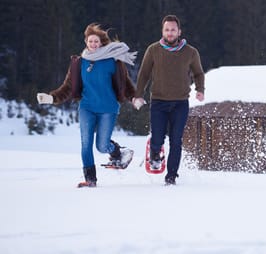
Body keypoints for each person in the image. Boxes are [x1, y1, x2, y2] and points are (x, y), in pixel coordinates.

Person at [37, 23, 137, 188]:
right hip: (87, 108)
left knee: (102, 146)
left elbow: (125, 84)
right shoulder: (79, 63)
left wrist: (134, 98)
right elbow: (68, 87)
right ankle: (90, 180)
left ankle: (117, 152)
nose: (93, 44)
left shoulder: (112, 62)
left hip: (108, 109)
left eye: (96, 41)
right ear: (86, 42)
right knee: (86, 143)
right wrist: (51, 98)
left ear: (101, 43)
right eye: (90, 41)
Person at [133, 14, 205, 185]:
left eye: (173, 30)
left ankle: (171, 176)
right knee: (157, 138)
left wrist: (200, 90)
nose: (170, 32)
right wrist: (138, 95)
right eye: (167, 30)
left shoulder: (190, 52)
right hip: (158, 102)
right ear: (163, 31)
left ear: (179, 31)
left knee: (176, 140)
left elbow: (198, 73)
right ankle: (155, 153)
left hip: (180, 103)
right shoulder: (153, 50)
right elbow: (144, 74)